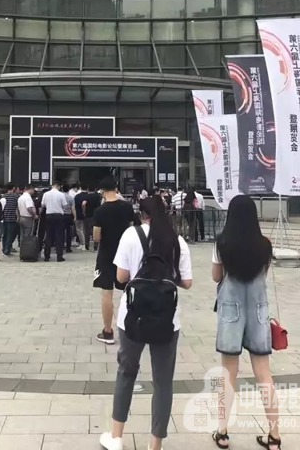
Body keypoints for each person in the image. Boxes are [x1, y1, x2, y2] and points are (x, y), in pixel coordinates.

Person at [99, 196, 192, 450]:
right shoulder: (177, 240)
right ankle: (155, 444)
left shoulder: (131, 235)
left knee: (126, 372)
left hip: (133, 316)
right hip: (167, 319)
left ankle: (116, 437)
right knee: (163, 381)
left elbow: (121, 276)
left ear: (142, 215)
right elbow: (187, 282)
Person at [211, 195, 280, 450]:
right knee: (264, 373)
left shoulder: (222, 243)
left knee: (229, 372)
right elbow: (263, 275)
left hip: (231, 310)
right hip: (259, 311)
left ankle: (222, 432)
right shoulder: (265, 245)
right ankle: (274, 436)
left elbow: (216, 276)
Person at [93, 177, 134, 345]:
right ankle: (131, 329)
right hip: (125, 253)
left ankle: (108, 331)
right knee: (129, 290)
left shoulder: (100, 211)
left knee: (106, 292)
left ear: (102, 191)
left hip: (106, 254)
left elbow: (96, 237)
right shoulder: (127, 207)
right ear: (116, 188)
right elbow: (131, 228)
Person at [41, 181, 67, 262]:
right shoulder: (61, 194)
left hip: (49, 215)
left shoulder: (46, 194)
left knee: (48, 236)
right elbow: (65, 205)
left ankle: (47, 256)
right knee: (59, 236)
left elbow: (43, 205)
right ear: (59, 186)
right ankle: (59, 256)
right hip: (59, 216)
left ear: (52, 186)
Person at [1, 182, 19, 256]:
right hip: (12, 218)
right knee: (10, 234)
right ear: (13, 188)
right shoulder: (16, 197)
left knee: (5, 234)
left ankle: (4, 248)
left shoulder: (3, 196)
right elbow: (17, 207)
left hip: (4, 218)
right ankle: (7, 250)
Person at [83, 185, 101, 251]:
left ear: (88, 189)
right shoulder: (97, 196)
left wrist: (84, 211)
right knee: (96, 230)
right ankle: (95, 246)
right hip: (96, 215)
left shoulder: (86, 196)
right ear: (95, 189)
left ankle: (87, 245)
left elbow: (83, 204)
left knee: (87, 231)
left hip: (88, 215)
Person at [74, 183, 88, 251]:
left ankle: (83, 244)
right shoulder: (89, 196)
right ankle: (85, 244)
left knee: (79, 230)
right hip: (89, 215)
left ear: (80, 188)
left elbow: (74, 206)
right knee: (86, 229)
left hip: (79, 214)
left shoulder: (77, 196)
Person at [62, 184, 75, 253]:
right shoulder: (71, 198)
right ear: (69, 190)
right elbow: (73, 208)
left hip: (61, 215)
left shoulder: (60, 196)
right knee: (68, 232)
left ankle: (60, 246)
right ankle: (68, 248)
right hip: (68, 215)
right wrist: (75, 216)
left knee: (60, 231)